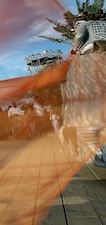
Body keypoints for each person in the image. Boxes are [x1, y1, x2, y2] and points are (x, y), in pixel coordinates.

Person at [60, 10, 106, 167]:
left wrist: (74, 50)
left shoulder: (83, 24)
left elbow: (79, 38)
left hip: (92, 53)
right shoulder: (102, 24)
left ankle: (97, 152)